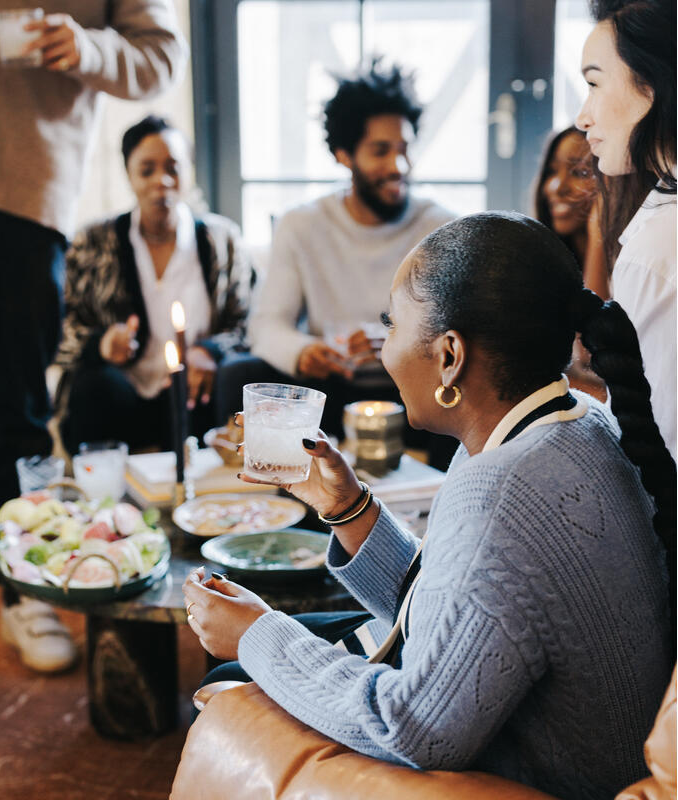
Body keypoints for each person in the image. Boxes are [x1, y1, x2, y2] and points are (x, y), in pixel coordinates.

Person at [183, 212, 674, 800]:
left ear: (449, 356)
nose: (384, 347)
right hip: (545, 729)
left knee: (236, 670)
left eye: (392, 325)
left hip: (542, 777)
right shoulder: (567, 422)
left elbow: (416, 726)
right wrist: (349, 508)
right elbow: (474, 606)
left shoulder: (503, 490)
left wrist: (256, 634)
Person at [0, 0, 186, 701]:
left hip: (30, 183)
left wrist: (87, 48)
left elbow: (161, 54)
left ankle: (26, 588)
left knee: (23, 409)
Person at [216, 60, 457, 469]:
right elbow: (266, 326)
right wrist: (304, 351)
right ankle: (274, 502)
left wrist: (402, 342)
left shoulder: (440, 226)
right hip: (328, 389)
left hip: (413, 390)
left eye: (405, 149)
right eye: (381, 151)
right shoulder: (302, 225)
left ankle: (440, 498)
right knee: (237, 373)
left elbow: (460, 330)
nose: (398, 166)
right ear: (344, 155)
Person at [56, 115, 254, 455]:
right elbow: (62, 329)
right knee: (94, 385)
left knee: (231, 379)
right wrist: (102, 345)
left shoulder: (222, 240)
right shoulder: (93, 241)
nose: (161, 180)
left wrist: (210, 350)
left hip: (194, 398)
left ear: (188, 172)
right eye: (147, 170)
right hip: (121, 396)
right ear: (129, 175)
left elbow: (247, 323)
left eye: (173, 168)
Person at [576, 0, 676, 460]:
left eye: (594, 83)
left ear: (651, 84)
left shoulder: (658, 247)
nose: (583, 117)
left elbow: (660, 447)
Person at [533, 126, 608, 398]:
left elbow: (592, 357)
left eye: (580, 173)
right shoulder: (544, 268)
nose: (556, 187)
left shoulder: (632, 267)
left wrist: (599, 234)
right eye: (552, 172)